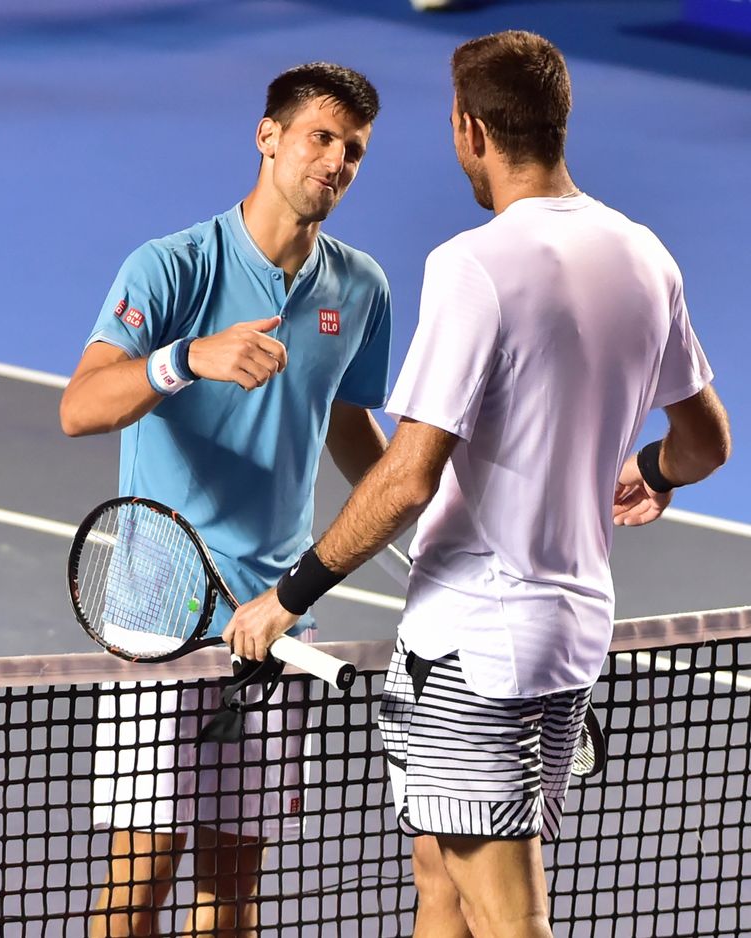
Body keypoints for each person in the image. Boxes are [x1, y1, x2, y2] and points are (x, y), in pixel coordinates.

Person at [224, 30, 731, 938]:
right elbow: (705, 443)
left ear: (470, 130)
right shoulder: (645, 255)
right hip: (567, 635)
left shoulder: (474, 265)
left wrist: (288, 594)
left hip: (474, 653)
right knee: (439, 881)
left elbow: (409, 476)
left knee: (507, 914)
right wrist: (648, 470)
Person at [59, 62, 391, 938]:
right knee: (141, 879)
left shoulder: (360, 289)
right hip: (158, 620)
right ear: (268, 137)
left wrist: (405, 510)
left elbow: (343, 419)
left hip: (275, 617)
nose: (337, 162)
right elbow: (78, 407)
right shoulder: (172, 267)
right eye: (321, 138)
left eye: (353, 150)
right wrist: (184, 359)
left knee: (233, 888)